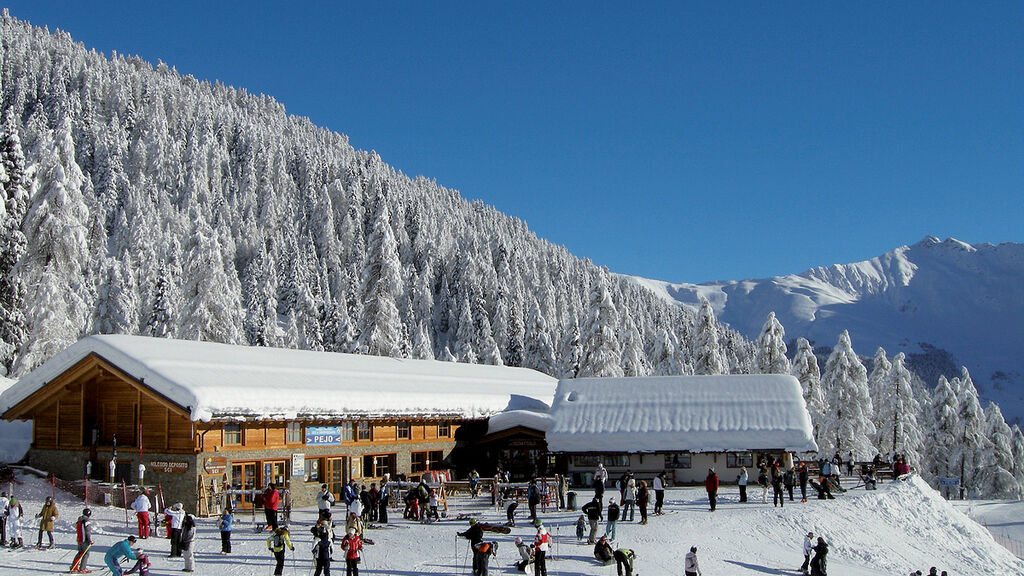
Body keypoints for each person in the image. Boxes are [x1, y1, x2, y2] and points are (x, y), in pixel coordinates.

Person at [70, 508, 93, 573]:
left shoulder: (80, 520)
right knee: (86, 553)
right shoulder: (86, 521)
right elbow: (87, 531)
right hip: (84, 540)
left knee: (80, 553)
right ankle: (82, 568)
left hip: (79, 539)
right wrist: (89, 540)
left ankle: (74, 567)